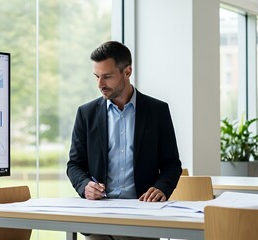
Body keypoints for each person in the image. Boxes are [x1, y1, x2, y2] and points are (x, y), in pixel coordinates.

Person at [67, 41, 182, 240]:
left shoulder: (157, 111)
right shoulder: (86, 114)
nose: (100, 84)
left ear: (127, 72)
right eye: (97, 77)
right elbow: (74, 164)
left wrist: (161, 188)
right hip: (98, 220)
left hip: (143, 217)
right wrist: (85, 185)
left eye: (107, 77)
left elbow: (172, 164)